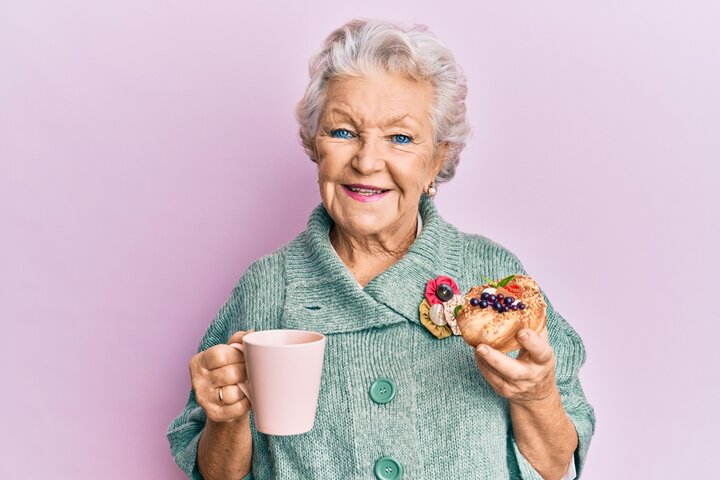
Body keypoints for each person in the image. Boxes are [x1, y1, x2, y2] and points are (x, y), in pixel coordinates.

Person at [167, 18, 595, 480]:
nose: (367, 161)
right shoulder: (267, 287)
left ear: (438, 160)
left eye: (401, 138)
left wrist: (536, 396)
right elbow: (217, 475)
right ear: (315, 146)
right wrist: (225, 420)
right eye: (343, 132)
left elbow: (558, 466)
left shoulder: (492, 276)